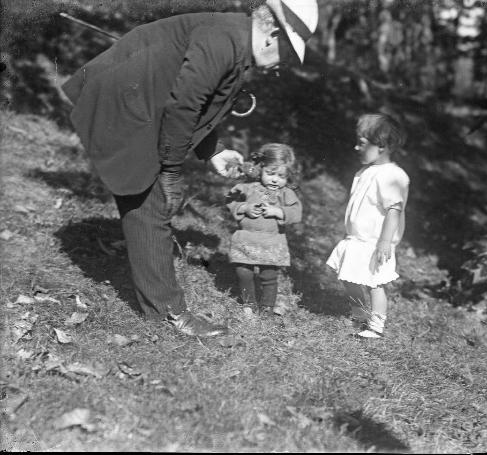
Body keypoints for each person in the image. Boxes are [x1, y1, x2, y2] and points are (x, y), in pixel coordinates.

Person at [60, 0, 319, 336]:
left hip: (143, 102)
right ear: (271, 33)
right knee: (150, 205)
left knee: (148, 205)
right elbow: (184, 106)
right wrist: (169, 171)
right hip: (125, 102)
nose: (282, 65)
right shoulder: (223, 41)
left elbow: (202, 101)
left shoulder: (235, 41)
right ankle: (169, 314)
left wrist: (214, 149)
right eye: (287, 53)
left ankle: (162, 308)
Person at [326, 113, 410, 338]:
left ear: (381, 146)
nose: (356, 147)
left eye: (361, 143)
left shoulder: (393, 175)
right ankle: (359, 314)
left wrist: (384, 242)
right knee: (348, 277)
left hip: (375, 241)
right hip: (357, 238)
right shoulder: (366, 171)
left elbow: (394, 209)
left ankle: (376, 325)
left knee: (375, 283)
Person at [225, 143, 302, 316]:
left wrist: (278, 211)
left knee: (268, 276)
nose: (275, 179)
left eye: (281, 176)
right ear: (260, 169)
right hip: (246, 239)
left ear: (288, 176)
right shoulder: (248, 187)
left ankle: (267, 307)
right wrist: (244, 208)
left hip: (271, 241)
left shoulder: (286, 193)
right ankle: (249, 304)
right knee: (243, 271)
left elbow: (296, 212)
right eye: (270, 173)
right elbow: (230, 200)